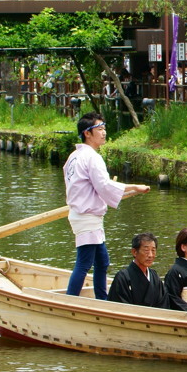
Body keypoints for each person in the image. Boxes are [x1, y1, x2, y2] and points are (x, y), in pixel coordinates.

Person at [63, 112, 150, 299]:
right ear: (87, 133)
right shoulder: (91, 157)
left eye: (104, 129)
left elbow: (98, 186)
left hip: (85, 215)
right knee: (84, 263)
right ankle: (70, 299)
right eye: (99, 129)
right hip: (86, 215)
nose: (104, 133)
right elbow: (104, 185)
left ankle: (102, 299)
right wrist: (134, 186)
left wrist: (125, 190)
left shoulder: (74, 156)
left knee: (102, 262)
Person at [107, 233, 169, 308]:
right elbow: (119, 307)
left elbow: (163, 304)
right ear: (134, 252)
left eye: (153, 250)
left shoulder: (154, 276)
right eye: (146, 250)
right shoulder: (123, 277)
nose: (150, 255)